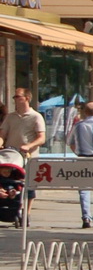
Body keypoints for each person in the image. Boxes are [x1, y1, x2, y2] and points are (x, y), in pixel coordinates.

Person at [1, 89, 46, 227]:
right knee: (8, 181)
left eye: (17, 96)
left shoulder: (36, 116)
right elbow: (2, 134)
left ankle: (27, 212)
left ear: (26, 98)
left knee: (28, 185)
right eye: (14, 97)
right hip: (11, 157)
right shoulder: (10, 117)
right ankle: (8, 207)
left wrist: (29, 146)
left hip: (28, 156)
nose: (14, 99)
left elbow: (41, 138)